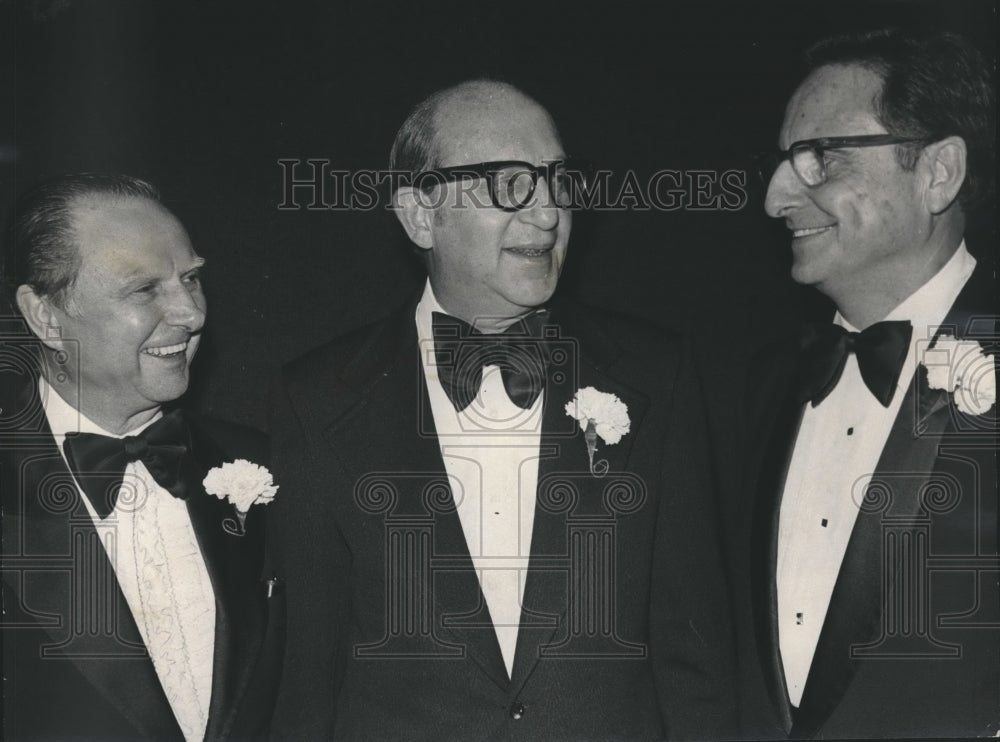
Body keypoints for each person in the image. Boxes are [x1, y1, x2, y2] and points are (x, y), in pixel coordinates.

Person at [268, 79, 736, 740]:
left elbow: (698, 663)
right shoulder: (315, 398)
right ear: (420, 214)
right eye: (511, 183)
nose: (548, 213)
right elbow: (306, 682)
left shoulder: (655, 374)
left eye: (557, 180)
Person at [739, 28, 998, 739]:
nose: (774, 198)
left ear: (939, 173)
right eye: (783, 161)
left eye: (821, 158)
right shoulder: (762, 387)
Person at [0, 173, 283, 741]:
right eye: (145, 290)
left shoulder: (261, 460)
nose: (191, 313)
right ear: (46, 317)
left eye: (192, 279)